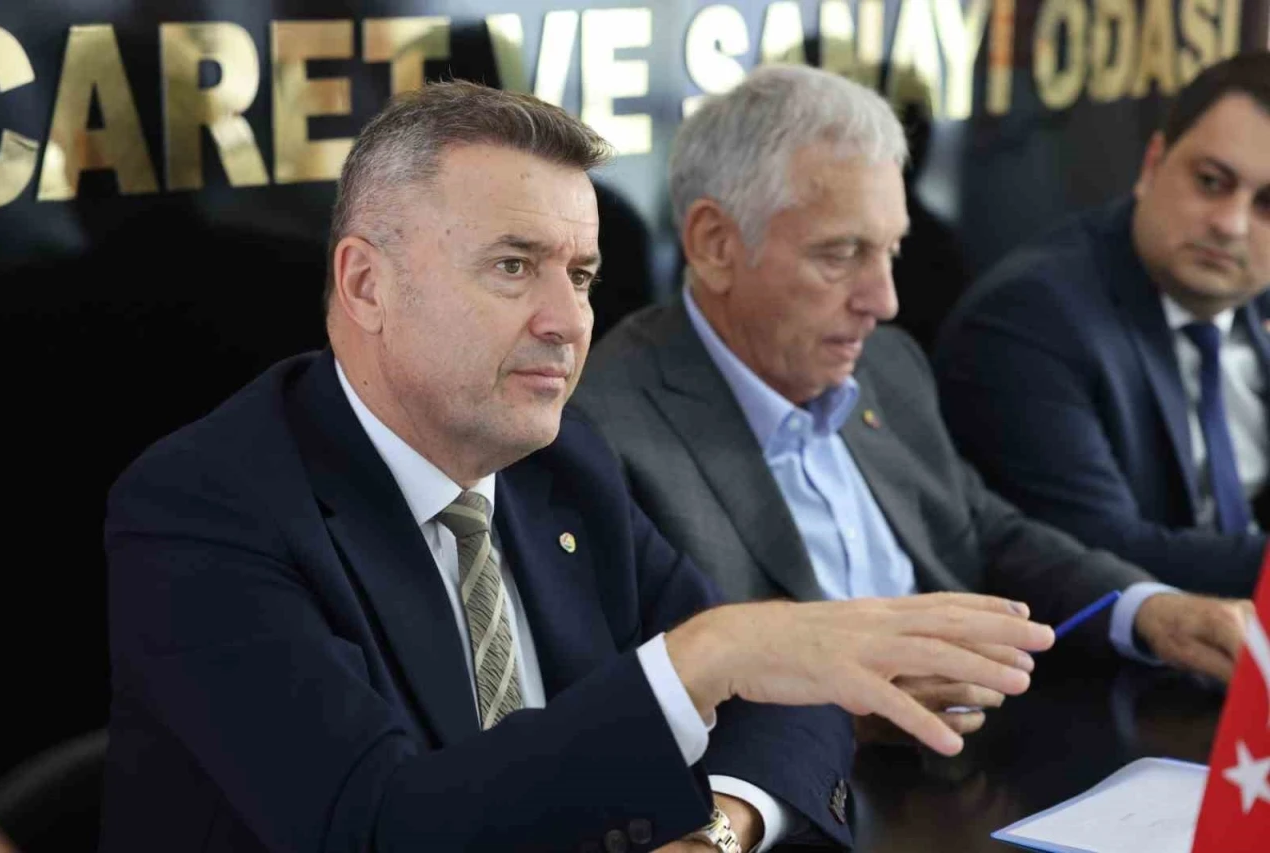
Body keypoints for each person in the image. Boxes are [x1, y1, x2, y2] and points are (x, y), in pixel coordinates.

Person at [101, 81, 1052, 853]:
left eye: (582, 275)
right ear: (366, 283)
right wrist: (700, 658)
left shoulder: (562, 465)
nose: (566, 322)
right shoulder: (204, 509)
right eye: (514, 266)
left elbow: (792, 699)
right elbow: (376, 824)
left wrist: (720, 828)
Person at [571, 65, 1251, 747]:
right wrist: (850, 709)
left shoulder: (887, 364)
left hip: (978, 757)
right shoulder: (606, 434)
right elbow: (640, 701)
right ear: (715, 244)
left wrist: (1147, 609)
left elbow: (985, 532)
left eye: (891, 252)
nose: (885, 301)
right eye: (842, 254)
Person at [934, 52, 1270, 598]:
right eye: (1211, 181)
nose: (1230, 224)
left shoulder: (1254, 297)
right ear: (1152, 164)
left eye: (1268, 205)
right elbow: (1104, 555)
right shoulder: (1031, 318)